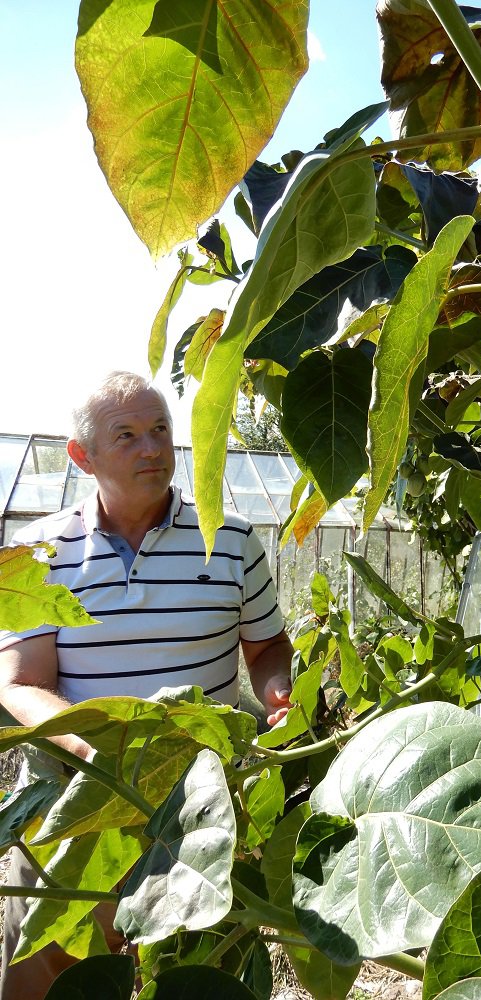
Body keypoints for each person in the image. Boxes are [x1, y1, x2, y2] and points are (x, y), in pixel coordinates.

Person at [0, 372, 293, 999]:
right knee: (54, 974)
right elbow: (21, 683)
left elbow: (267, 646)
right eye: (127, 435)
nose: (153, 448)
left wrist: (276, 692)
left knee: (193, 972)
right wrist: (96, 752)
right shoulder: (40, 551)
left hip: (200, 813)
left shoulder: (230, 540)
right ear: (82, 455)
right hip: (75, 809)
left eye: (160, 429)